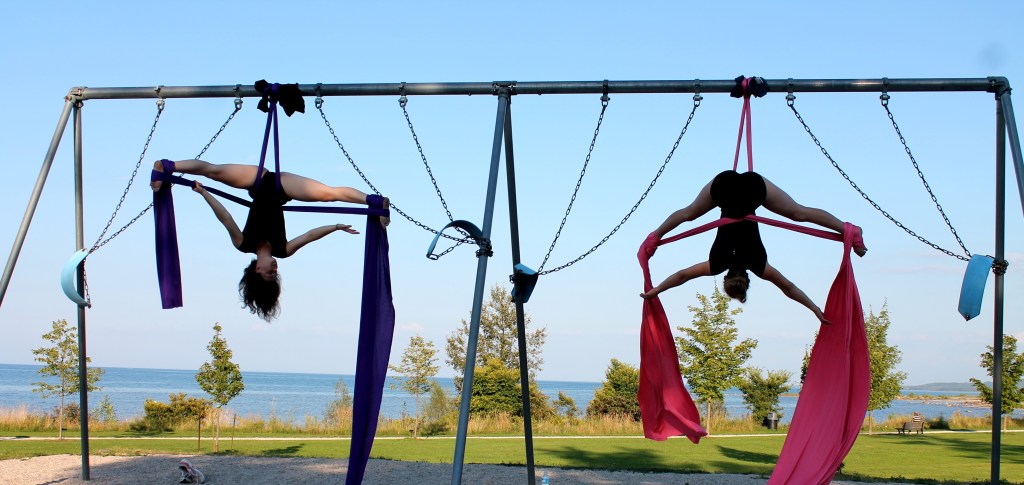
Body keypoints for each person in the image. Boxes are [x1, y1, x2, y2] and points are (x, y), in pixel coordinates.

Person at [151, 159, 389, 321]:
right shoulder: (283, 251)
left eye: (268, 273)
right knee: (328, 194)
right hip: (282, 188)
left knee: (212, 171)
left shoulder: (243, 244)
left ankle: (167, 166)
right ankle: (375, 202)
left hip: (258, 179)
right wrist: (335, 227)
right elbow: (309, 236)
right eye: (275, 274)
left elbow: (225, 217)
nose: (274, 269)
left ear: (256, 269)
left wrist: (204, 193)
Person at [639, 170, 866, 325]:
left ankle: (849, 230)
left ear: (748, 281)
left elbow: (789, 287)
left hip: (751, 191)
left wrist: (815, 308)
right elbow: (681, 276)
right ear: (725, 279)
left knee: (798, 212)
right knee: (689, 213)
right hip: (724, 188)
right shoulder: (718, 263)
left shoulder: (758, 264)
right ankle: (654, 236)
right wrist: (657, 288)